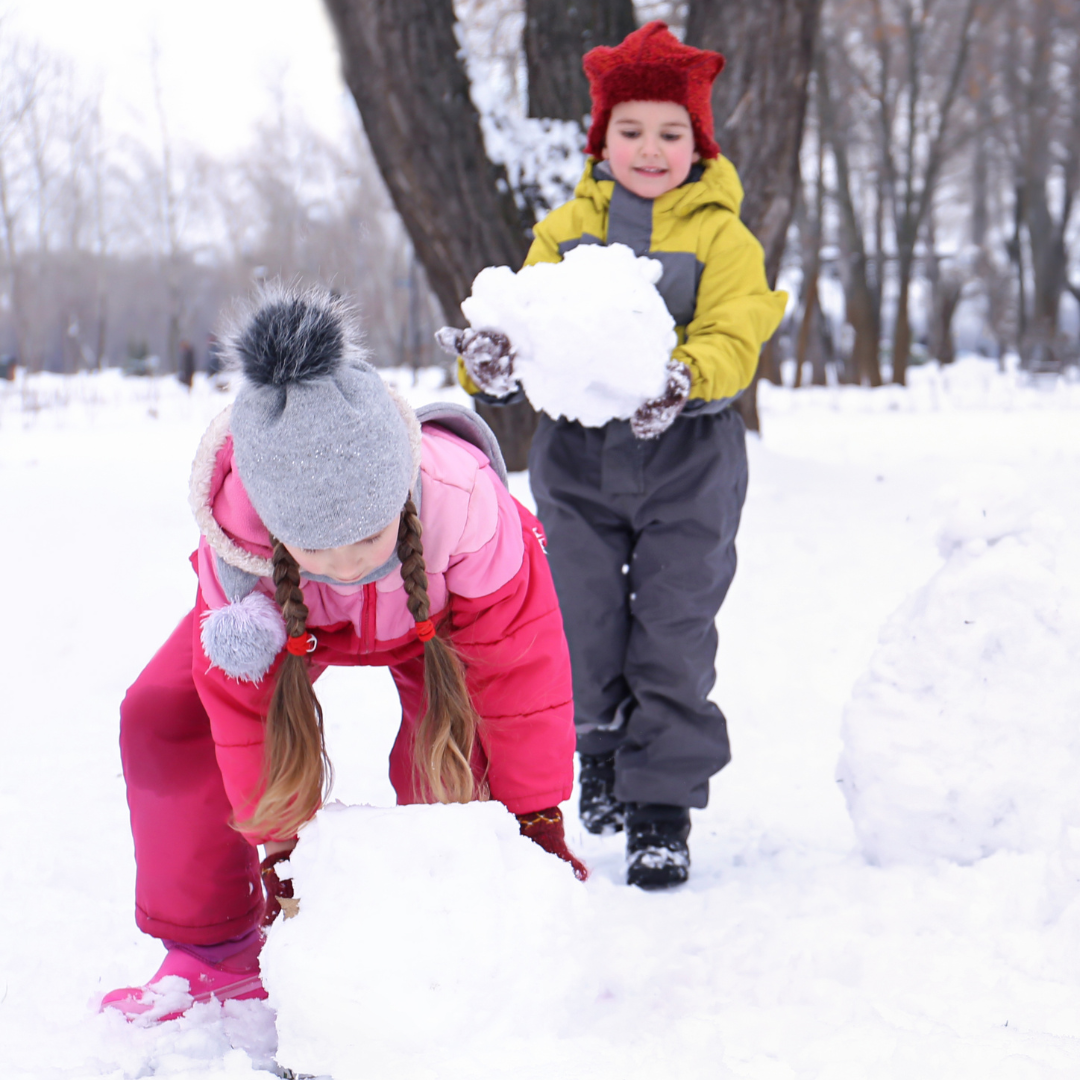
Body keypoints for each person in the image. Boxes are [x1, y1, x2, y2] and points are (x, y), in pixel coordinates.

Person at [102, 285, 582, 1021]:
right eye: (320, 547)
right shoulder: (240, 542)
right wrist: (280, 850)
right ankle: (214, 951)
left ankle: (464, 916)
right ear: (272, 529)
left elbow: (522, 675)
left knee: (460, 750)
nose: (350, 565)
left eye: (368, 537)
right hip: (298, 624)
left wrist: (535, 818)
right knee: (165, 713)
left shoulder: (466, 507)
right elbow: (242, 710)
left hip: (438, 622)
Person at [439, 22, 786, 889]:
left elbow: (739, 328)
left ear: (698, 142)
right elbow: (520, 323)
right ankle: (596, 743)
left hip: (690, 456)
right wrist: (490, 362)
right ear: (602, 139)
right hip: (580, 461)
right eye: (630, 130)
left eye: (672, 132)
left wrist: (686, 376)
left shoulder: (723, 238)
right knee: (580, 617)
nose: (650, 149)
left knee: (672, 629)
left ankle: (661, 805)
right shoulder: (563, 232)